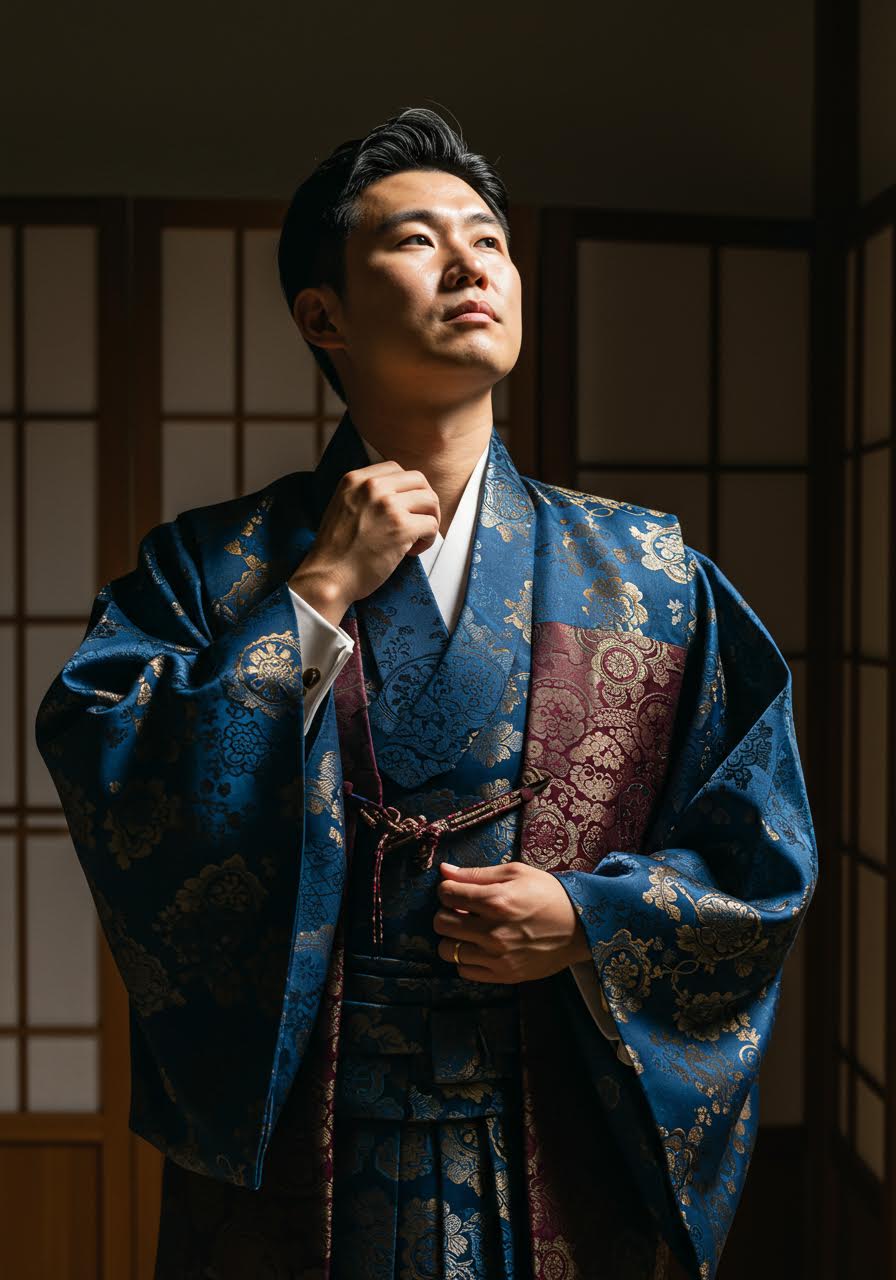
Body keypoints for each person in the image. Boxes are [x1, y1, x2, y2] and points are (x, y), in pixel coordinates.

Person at [35, 107, 817, 1280]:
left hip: (552, 1136)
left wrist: (586, 919)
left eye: (488, 239)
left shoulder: (651, 577)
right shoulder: (211, 568)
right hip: (300, 1151)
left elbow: (760, 856)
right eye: (416, 240)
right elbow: (118, 775)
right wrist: (314, 592)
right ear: (323, 315)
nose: (468, 264)